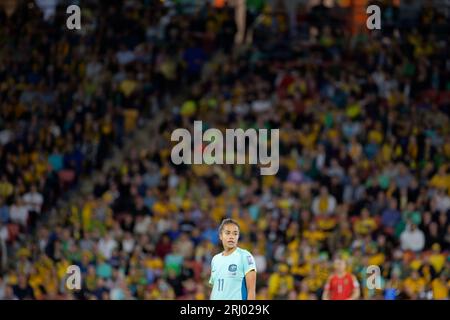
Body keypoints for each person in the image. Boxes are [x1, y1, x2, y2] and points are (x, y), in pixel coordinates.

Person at [209, 218, 256, 300]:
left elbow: (251, 291)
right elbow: (215, 288)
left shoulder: (245, 256)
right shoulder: (215, 259)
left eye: (235, 234)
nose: (231, 237)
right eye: (227, 233)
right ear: (220, 236)